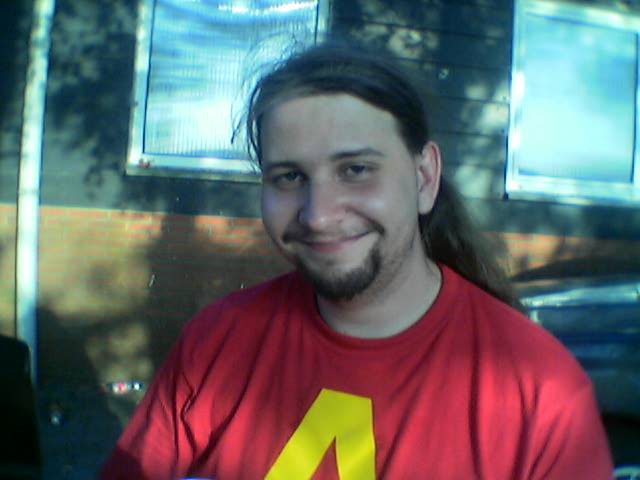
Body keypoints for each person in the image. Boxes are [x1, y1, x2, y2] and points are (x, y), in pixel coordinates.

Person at [100, 42, 613, 479]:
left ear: (424, 178)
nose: (319, 215)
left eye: (356, 169)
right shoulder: (216, 342)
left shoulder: (542, 394)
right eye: (289, 177)